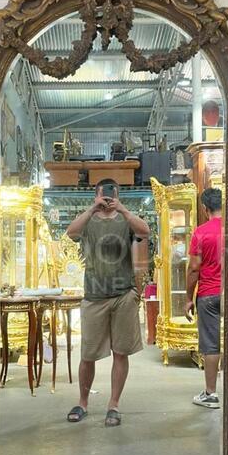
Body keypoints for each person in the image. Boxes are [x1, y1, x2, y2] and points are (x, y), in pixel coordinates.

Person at [64, 178, 150, 426]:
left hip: (123, 295)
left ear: (118, 194)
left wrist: (123, 209)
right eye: (104, 195)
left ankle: (114, 404)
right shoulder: (89, 220)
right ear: (96, 195)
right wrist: (92, 208)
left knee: (120, 352)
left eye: (112, 195)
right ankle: (82, 402)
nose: (108, 199)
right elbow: (71, 233)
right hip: (94, 295)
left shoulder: (125, 219)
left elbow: (145, 231)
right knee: (87, 354)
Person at [185, 188, 224, 408]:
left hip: (208, 294)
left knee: (211, 344)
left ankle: (211, 393)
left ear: (204, 208)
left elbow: (193, 268)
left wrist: (188, 298)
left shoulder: (201, 233)